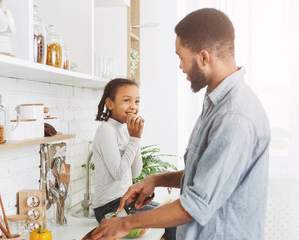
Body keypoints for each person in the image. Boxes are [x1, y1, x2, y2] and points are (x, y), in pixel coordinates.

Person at [91, 8, 270, 240]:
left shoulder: (234, 116)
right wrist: (156, 179)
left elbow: (195, 204)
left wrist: (126, 223)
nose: (180, 67)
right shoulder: (216, 103)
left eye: (180, 57)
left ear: (204, 57)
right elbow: (204, 174)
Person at [92, 78, 176, 239]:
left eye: (137, 101)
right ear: (110, 104)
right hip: (109, 208)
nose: (133, 106)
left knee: (171, 215)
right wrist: (134, 139)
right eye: (126, 100)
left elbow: (136, 172)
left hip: (125, 202)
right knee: (171, 221)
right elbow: (118, 173)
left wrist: (135, 137)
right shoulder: (106, 130)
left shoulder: (124, 130)